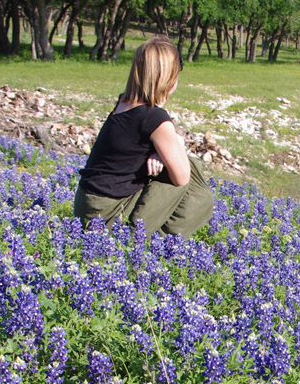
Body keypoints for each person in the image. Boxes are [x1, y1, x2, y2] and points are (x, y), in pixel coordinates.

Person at [73, 35, 214, 238]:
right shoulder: (155, 118)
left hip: (85, 208)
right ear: (169, 77)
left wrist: (159, 153)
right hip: (107, 216)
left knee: (174, 165)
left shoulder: (124, 103)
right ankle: (150, 241)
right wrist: (176, 141)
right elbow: (182, 177)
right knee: (193, 183)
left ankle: (147, 238)